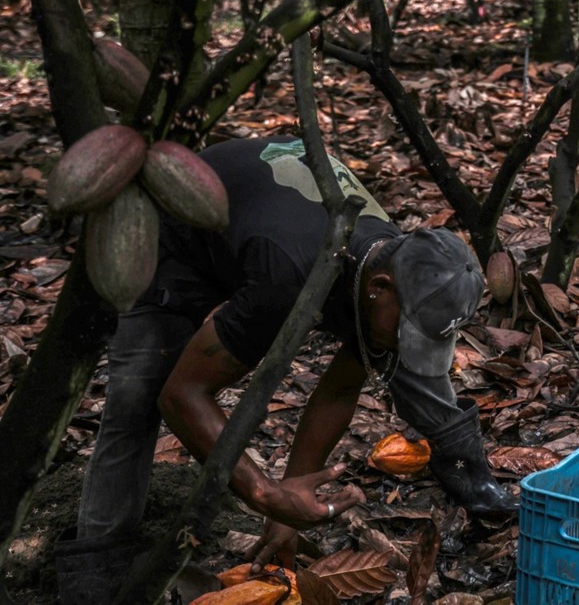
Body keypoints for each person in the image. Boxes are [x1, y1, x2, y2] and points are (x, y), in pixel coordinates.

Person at [55, 136, 517, 599]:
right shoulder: (289, 275)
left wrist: (289, 505)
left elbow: (337, 391)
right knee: (138, 398)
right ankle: (97, 558)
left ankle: (473, 482)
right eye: (407, 328)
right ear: (379, 287)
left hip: (260, 228)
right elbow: (183, 395)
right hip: (171, 237)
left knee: (384, 344)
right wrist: (261, 492)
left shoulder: (396, 260)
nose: (403, 342)